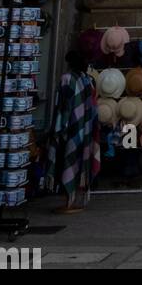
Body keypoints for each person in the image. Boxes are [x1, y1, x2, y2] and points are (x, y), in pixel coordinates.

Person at [45, 49, 100, 212]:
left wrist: (58, 127)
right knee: (80, 162)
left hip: (70, 129)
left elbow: (63, 107)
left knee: (66, 160)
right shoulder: (88, 81)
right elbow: (93, 108)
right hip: (86, 129)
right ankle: (73, 197)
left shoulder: (67, 79)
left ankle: (69, 199)